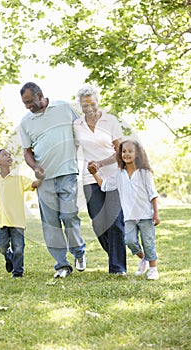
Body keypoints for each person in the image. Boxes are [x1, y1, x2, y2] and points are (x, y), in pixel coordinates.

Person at [19, 82, 86, 278]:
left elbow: (80, 130)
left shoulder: (64, 108)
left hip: (67, 172)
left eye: (30, 101)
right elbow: (27, 152)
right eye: (24, 103)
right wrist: (34, 167)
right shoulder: (26, 121)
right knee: (51, 223)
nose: (28, 106)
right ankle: (62, 265)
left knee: (69, 215)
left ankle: (79, 252)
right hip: (44, 179)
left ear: (40, 95)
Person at [73, 85, 126, 276]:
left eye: (92, 104)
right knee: (98, 224)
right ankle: (117, 255)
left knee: (115, 222)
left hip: (113, 175)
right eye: (85, 105)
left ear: (98, 101)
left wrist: (101, 164)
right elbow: (70, 148)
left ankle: (118, 268)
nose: (89, 108)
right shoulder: (77, 125)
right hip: (89, 179)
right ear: (80, 105)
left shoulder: (110, 121)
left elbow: (121, 150)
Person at [89, 139, 160, 280]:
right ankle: (144, 258)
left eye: (130, 151)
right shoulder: (119, 174)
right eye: (123, 151)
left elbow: (153, 194)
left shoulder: (144, 173)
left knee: (148, 242)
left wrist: (156, 213)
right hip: (129, 216)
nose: (126, 154)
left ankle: (153, 269)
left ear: (138, 154)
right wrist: (94, 174)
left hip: (145, 214)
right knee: (129, 241)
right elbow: (105, 186)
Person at [0, 149, 43, 278]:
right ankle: (9, 258)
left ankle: (17, 273)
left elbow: (34, 184)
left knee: (19, 248)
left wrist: (40, 177)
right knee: (1, 246)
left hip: (17, 220)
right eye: (5, 155)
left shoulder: (18, 178)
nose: (9, 156)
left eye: (10, 155)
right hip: (1, 219)